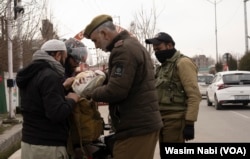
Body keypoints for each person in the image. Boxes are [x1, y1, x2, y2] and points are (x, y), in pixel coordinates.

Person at [83, 14, 163, 159]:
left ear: (104, 33)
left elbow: (116, 90)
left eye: (95, 40)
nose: (95, 46)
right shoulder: (131, 45)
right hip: (140, 125)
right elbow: (121, 78)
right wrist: (94, 78)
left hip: (136, 128)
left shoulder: (123, 50)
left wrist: (89, 92)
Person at [16, 39, 80, 159]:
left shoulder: (30, 74)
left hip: (28, 144)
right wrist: (72, 99)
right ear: (58, 55)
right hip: (48, 147)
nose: (64, 62)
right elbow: (56, 113)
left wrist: (62, 88)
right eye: (64, 58)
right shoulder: (50, 76)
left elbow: (39, 101)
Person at [145, 32, 202, 156]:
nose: (156, 53)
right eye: (155, 50)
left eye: (159, 49)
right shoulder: (163, 67)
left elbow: (194, 96)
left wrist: (189, 123)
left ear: (169, 45)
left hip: (175, 120)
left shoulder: (182, 63)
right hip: (162, 120)